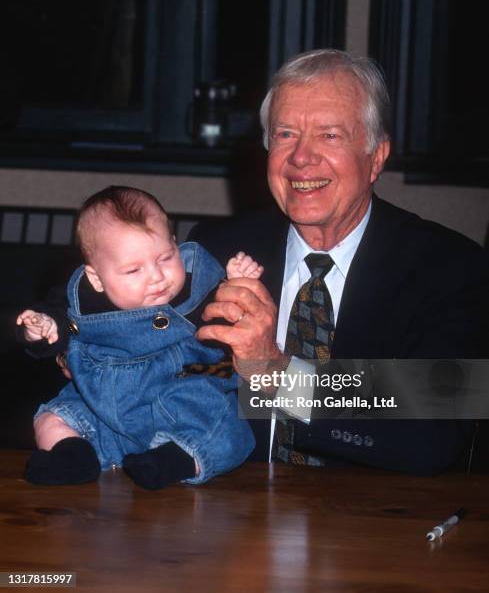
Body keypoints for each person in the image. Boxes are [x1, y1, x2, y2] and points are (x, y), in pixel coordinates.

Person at [189, 48, 489, 475]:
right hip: (230, 516)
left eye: (329, 135)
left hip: (374, 524)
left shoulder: (449, 267)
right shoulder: (216, 252)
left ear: (377, 157)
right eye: (285, 134)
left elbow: (433, 433)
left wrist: (278, 373)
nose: (301, 158)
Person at [17, 186, 259, 488]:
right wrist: (42, 328)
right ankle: (72, 456)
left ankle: (172, 461)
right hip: (100, 408)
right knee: (53, 417)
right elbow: (56, 320)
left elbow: (327, 400)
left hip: (181, 406)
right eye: (133, 270)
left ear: (175, 244)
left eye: (166, 258)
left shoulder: (204, 282)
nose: (157, 277)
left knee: (224, 429)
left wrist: (237, 294)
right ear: (96, 278)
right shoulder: (81, 298)